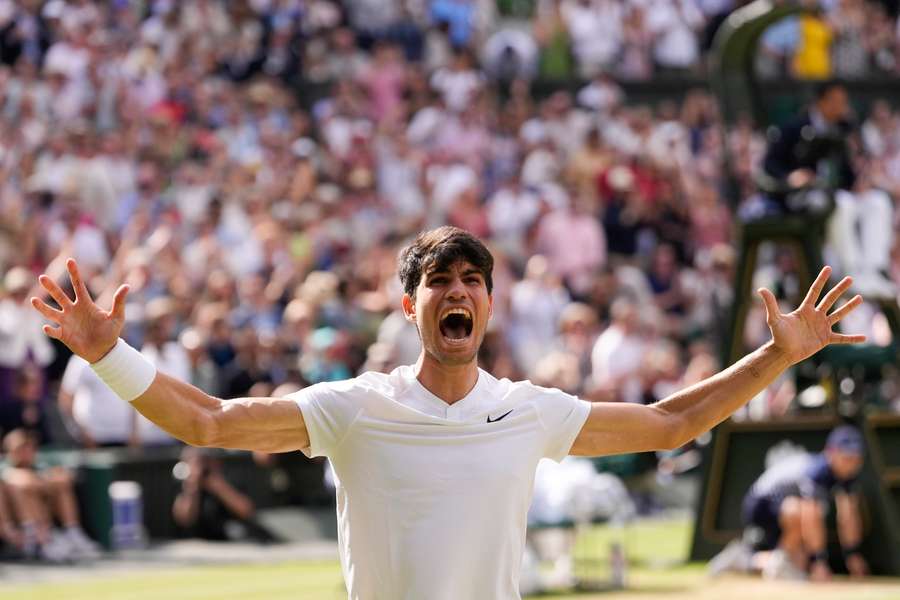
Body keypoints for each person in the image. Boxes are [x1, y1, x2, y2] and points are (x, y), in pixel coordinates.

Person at [30, 227, 865, 599]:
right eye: (441, 280)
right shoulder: (355, 406)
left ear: (491, 305)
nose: (458, 292)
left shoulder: (530, 410)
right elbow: (209, 422)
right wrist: (107, 352)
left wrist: (781, 354)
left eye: (473, 281)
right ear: (409, 305)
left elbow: (669, 424)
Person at [755, 81, 896, 298]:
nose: (842, 106)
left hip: (839, 194)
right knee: (842, 203)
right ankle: (852, 273)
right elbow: (769, 166)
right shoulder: (794, 127)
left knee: (877, 201)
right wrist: (791, 177)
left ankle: (874, 270)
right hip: (801, 198)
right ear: (822, 101)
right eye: (837, 101)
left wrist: (859, 183)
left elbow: (847, 172)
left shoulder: (845, 128)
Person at [710, 425, 869, 581]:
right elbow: (810, 515)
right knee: (801, 511)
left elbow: (848, 517)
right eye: (848, 457)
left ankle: (744, 559)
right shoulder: (817, 470)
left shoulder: (847, 477)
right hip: (761, 504)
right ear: (832, 453)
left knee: (797, 564)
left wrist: (852, 554)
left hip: (784, 508)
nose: (853, 464)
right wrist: (818, 561)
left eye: (856, 458)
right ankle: (771, 563)